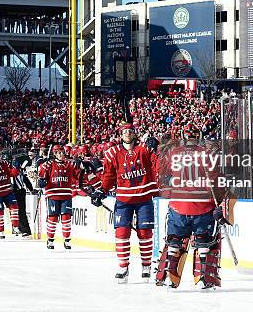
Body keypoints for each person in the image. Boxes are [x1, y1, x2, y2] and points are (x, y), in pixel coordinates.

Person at [156, 126, 225, 289]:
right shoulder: (207, 154)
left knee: (174, 241)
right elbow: (216, 181)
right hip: (202, 206)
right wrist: (219, 203)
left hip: (178, 205)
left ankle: (167, 275)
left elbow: (161, 174)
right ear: (198, 137)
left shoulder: (173, 153)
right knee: (204, 243)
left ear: (183, 136)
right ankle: (203, 278)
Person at [96, 123, 159, 283]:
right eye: (125, 132)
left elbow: (156, 163)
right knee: (122, 233)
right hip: (124, 199)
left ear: (134, 134)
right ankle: (123, 267)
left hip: (144, 198)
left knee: (145, 233)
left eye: (130, 131)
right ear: (120, 134)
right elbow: (109, 175)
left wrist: (156, 148)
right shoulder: (113, 153)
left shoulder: (144, 149)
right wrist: (101, 190)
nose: (127, 133)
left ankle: (146, 266)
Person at [38, 145, 78, 250]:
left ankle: (67, 240)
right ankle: (50, 240)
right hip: (53, 195)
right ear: (55, 154)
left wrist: (81, 166)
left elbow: (78, 175)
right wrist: (41, 180)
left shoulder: (70, 164)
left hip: (66, 195)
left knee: (66, 218)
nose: (61, 155)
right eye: (59, 153)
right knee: (53, 218)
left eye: (62, 152)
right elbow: (41, 176)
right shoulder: (48, 164)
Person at [12, 151, 35, 237]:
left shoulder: (21, 171)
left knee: (21, 211)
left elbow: (26, 180)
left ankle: (25, 230)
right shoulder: (11, 171)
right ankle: (16, 228)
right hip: (13, 193)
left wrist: (31, 189)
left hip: (21, 192)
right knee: (15, 211)